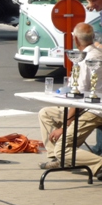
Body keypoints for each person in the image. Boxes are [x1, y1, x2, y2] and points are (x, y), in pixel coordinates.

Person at [38, 22, 102, 174]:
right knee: (45, 113)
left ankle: (96, 163)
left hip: (92, 110)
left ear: (76, 39)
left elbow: (78, 99)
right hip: (86, 106)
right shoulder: (95, 53)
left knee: (63, 150)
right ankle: (57, 159)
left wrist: (65, 126)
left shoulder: (88, 59)